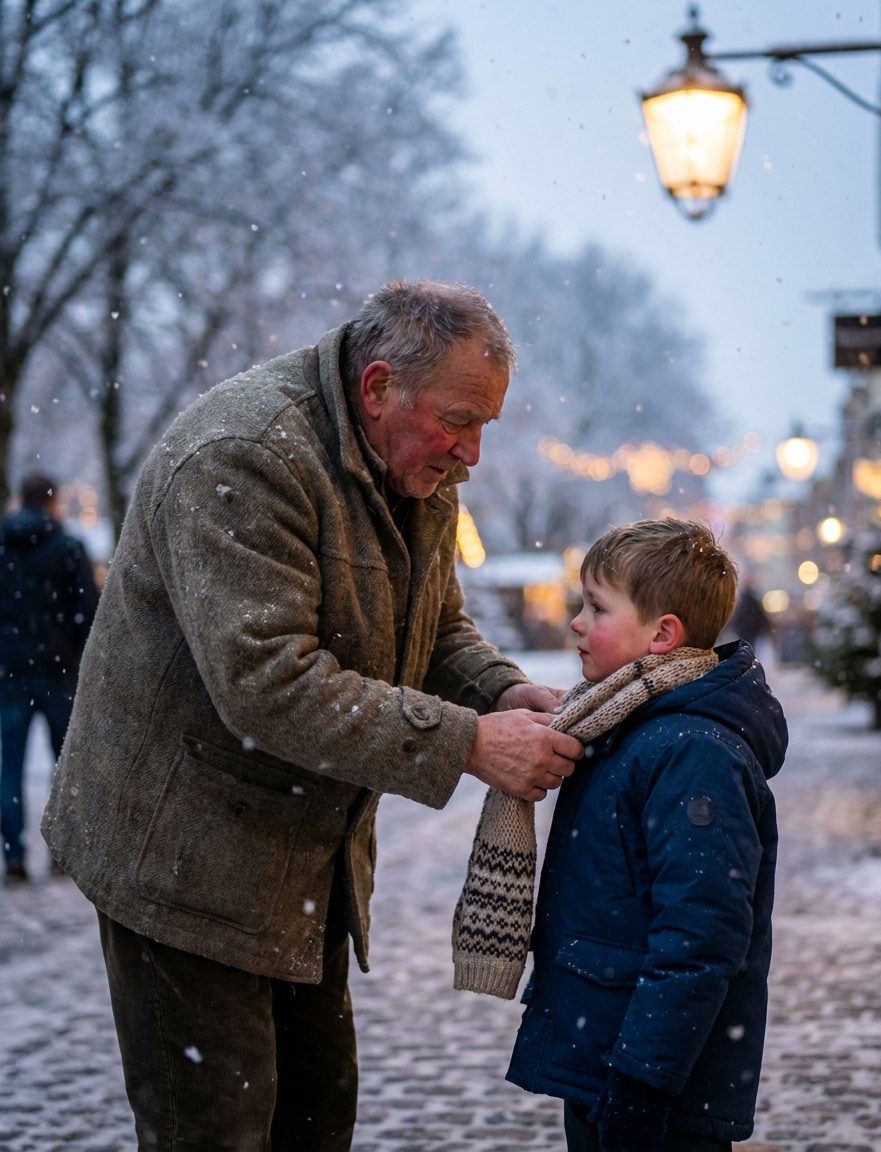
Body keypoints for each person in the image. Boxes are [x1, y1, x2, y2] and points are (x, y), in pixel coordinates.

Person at [41, 279, 583, 1151]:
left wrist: (499, 691)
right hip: (181, 860)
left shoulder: (416, 459)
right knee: (214, 1130)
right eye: (460, 420)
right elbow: (268, 685)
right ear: (377, 388)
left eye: (486, 425)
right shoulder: (242, 455)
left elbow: (433, 623)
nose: (473, 453)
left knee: (315, 1119)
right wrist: (471, 745)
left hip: (300, 864)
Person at [455, 518, 787, 1152]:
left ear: (663, 634)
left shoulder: (691, 751)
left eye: (597, 608)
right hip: (605, 1057)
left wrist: (643, 1079)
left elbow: (701, 936)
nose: (577, 622)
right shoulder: (623, 723)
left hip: (652, 1087)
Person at [0, 472, 99, 885]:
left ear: (22, 500)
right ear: (52, 500)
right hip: (59, 673)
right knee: (68, 768)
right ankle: (62, 855)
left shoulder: (3, 546)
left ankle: (15, 858)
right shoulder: (68, 547)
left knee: (11, 769)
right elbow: (88, 612)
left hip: (11, 672)